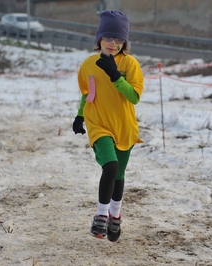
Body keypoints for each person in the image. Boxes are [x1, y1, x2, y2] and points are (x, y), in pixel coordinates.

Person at [72, 10, 144, 242]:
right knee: (111, 167)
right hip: (99, 123)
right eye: (108, 38)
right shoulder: (88, 64)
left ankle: (115, 216)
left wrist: (115, 75)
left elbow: (133, 96)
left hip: (124, 126)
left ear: (124, 42)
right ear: (99, 39)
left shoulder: (130, 64)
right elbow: (88, 93)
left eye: (119, 39)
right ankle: (101, 216)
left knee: (119, 174)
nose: (113, 43)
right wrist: (80, 116)